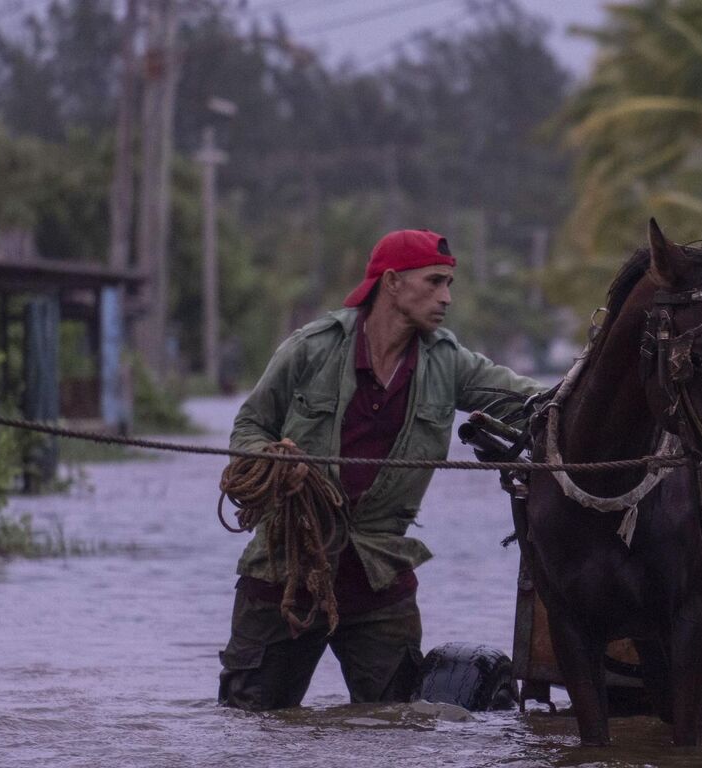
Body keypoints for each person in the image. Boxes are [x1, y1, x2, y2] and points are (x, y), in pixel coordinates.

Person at [218, 229, 543, 711]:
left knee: (396, 731)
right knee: (251, 727)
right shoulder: (310, 348)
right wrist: (271, 459)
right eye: (434, 282)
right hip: (285, 573)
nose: (446, 297)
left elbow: (532, 405)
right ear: (391, 282)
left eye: (449, 283)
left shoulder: (449, 363)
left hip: (379, 581)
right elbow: (249, 426)